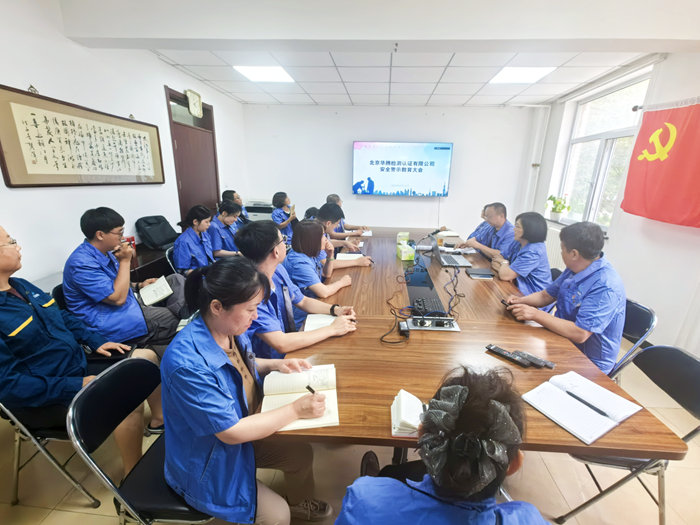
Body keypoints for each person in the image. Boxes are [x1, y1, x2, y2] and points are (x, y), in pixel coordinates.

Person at [161, 257, 333, 524]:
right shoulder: (188, 364)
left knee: (300, 454)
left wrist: (275, 364)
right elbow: (231, 432)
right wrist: (296, 409)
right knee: (276, 515)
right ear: (217, 307)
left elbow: (239, 366)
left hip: (241, 428)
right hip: (208, 458)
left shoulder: (228, 326)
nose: (256, 316)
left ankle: (299, 503)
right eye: (251, 309)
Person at [0, 225, 164, 474]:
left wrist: (95, 340)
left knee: (146, 357)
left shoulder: (22, 286)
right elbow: (8, 387)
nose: (18, 246)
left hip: (76, 364)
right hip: (44, 395)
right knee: (126, 397)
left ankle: (158, 421)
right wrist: (77, 384)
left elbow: (62, 317)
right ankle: (134, 476)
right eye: (11, 242)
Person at [337, 367, 546, 525]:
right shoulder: (528, 518)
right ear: (514, 464)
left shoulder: (363, 499)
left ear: (422, 435)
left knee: (386, 477)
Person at [506, 222, 626, 375]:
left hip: (587, 361)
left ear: (574, 254)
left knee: (522, 373)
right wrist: (520, 300)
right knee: (513, 351)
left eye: (562, 248)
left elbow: (580, 333)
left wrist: (535, 314)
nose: (561, 252)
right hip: (560, 338)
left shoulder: (605, 286)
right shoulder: (575, 268)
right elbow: (546, 295)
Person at [63, 207, 188, 347]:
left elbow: (115, 283)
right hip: (111, 319)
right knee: (171, 318)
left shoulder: (105, 252)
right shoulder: (81, 264)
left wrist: (138, 285)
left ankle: (187, 314)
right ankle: (185, 318)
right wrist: (124, 261)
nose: (122, 238)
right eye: (119, 233)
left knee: (176, 279)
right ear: (100, 235)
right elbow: (117, 299)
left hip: (128, 301)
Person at [235, 221, 356, 360]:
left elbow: (302, 301)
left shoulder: (278, 271)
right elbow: (281, 343)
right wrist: (332, 329)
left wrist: (335, 310)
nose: (286, 244)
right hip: (272, 360)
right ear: (276, 251)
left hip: (290, 343)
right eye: (283, 240)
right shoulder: (250, 292)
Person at [282, 219, 352, 329]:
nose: (326, 239)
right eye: (322, 236)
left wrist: (330, 256)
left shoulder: (308, 253)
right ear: (312, 240)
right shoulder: (299, 262)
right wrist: (341, 282)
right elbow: (323, 292)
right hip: (302, 317)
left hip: (312, 305)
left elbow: (326, 274)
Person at [492, 212, 552, 299]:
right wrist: (506, 271)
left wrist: (505, 263)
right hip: (515, 287)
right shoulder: (518, 242)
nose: (514, 229)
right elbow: (496, 259)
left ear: (529, 230)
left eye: (517, 226)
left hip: (533, 296)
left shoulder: (533, 251)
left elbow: (504, 275)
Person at [173, 205, 214, 275]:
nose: (209, 224)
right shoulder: (183, 241)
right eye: (206, 222)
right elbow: (182, 271)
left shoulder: (205, 234)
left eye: (209, 221)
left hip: (209, 272)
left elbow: (210, 259)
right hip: (197, 277)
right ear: (195, 222)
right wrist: (204, 273)